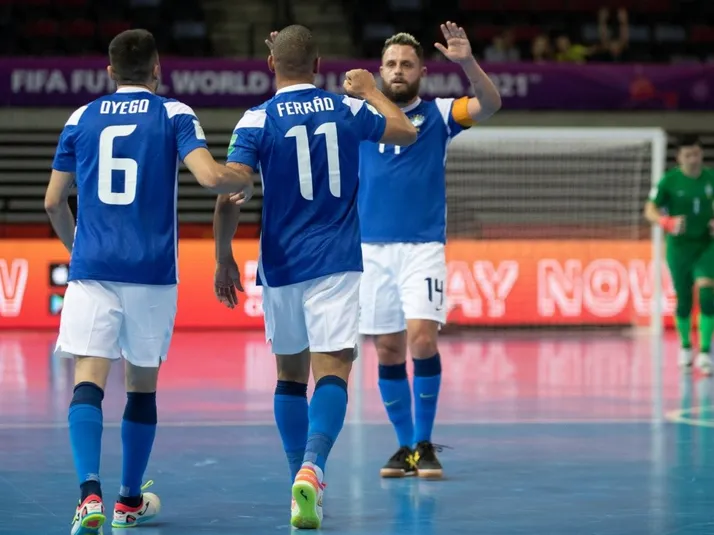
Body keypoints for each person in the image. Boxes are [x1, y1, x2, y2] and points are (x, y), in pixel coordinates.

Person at [45, 29, 253, 535]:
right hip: (152, 273)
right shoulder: (174, 114)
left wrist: (79, 250)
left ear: (110, 71)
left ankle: (88, 496)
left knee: (88, 381)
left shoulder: (80, 117)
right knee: (141, 387)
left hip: (94, 270)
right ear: (158, 69)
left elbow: (53, 202)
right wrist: (243, 177)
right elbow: (210, 177)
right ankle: (128, 501)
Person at [213, 25, 416, 529]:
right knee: (333, 371)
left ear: (270, 65)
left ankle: (297, 483)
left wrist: (223, 255)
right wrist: (371, 90)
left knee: (289, 376)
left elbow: (230, 193)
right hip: (335, 260)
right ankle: (313, 467)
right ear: (320, 65)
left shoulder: (256, 118)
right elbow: (405, 131)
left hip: (281, 263)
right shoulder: (346, 109)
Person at [357, 24, 501, 479]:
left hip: (423, 248)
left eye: (407, 64)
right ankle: (404, 447)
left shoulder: (439, 113)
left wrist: (468, 62)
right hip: (369, 251)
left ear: (422, 71)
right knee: (387, 349)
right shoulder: (357, 116)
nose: (398, 71)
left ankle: (423, 442)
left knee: (422, 338)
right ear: (380, 71)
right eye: (391, 64)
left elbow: (490, 104)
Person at [645, 135, 714, 376]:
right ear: (679, 158)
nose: (693, 159)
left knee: (707, 293)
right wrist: (667, 221)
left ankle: (705, 351)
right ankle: (685, 346)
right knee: (684, 301)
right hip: (679, 248)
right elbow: (650, 210)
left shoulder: (710, 178)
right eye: (688, 155)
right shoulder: (669, 181)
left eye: (696, 154)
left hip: (706, 245)